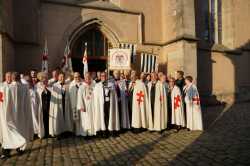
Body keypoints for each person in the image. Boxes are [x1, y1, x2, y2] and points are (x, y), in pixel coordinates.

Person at [0, 82, 27, 159]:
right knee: (6, 133)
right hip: (3, 114)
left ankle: (13, 149)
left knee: (10, 132)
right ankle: (16, 148)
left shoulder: (12, 88)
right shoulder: (2, 87)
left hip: (11, 114)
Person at [9, 72, 34, 152]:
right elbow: (27, 101)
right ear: (19, 78)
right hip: (22, 112)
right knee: (21, 128)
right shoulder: (24, 87)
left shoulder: (8, 87)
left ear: (12, 78)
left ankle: (11, 147)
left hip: (12, 112)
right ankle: (20, 147)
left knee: (12, 130)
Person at [93, 72, 120, 138]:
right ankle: (103, 131)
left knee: (109, 117)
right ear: (100, 77)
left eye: (104, 76)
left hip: (109, 103)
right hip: (101, 104)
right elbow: (96, 96)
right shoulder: (97, 85)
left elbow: (114, 95)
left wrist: (110, 90)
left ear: (107, 77)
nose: (103, 77)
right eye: (102, 76)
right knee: (102, 117)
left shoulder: (111, 84)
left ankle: (110, 130)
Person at [49, 72, 73, 137]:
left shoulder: (67, 85)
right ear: (58, 77)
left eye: (63, 77)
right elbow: (53, 97)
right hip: (58, 104)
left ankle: (67, 130)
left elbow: (69, 95)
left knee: (66, 117)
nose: (62, 78)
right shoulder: (55, 85)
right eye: (60, 77)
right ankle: (59, 132)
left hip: (66, 103)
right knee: (59, 118)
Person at [77, 72, 95, 137]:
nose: (88, 78)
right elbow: (79, 97)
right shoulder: (81, 86)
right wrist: (81, 106)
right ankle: (85, 134)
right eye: (86, 77)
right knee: (85, 120)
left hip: (92, 106)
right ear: (84, 78)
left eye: (89, 77)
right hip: (85, 106)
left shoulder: (93, 86)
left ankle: (92, 133)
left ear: (91, 77)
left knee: (92, 120)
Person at [36, 72, 50, 138]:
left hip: (49, 105)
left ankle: (48, 132)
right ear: (40, 78)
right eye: (43, 78)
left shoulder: (48, 84)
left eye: (45, 78)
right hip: (42, 105)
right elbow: (38, 94)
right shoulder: (37, 85)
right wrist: (43, 89)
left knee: (48, 119)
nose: (44, 79)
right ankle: (43, 133)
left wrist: (46, 89)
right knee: (43, 119)